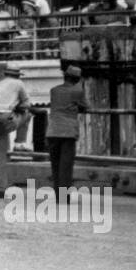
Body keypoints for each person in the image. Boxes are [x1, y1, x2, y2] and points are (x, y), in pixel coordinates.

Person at [0, 65, 31, 196]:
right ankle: (20, 142)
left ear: (6, 74)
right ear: (18, 75)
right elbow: (27, 103)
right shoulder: (19, 84)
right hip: (4, 120)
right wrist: (17, 106)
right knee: (28, 115)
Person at [46, 66, 87, 198]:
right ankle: (64, 197)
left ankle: (58, 195)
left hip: (52, 131)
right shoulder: (78, 91)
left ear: (65, 76)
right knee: (66, 166)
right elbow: (85, 106)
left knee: (55, 165)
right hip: (68, 132)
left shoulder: (54, 90)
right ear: (77, 79)